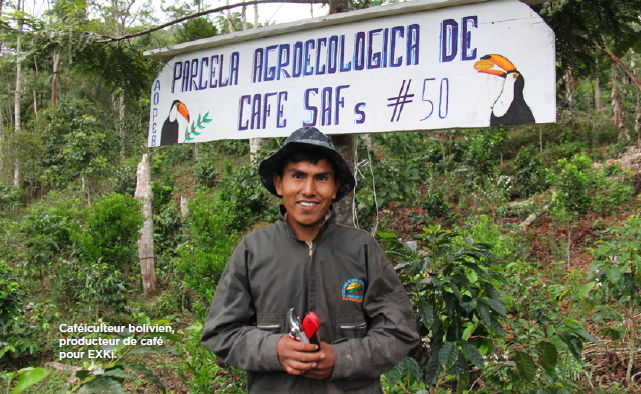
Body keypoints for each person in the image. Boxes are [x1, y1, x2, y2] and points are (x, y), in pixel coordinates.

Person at [201, 127, 419, 393]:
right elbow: (220, 332)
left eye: (322, 178)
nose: (308, 189)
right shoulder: (252, 251)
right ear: (279, 184)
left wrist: (342, 359)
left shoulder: (362, 249)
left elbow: (399, 331)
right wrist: (274, 349)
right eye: (297, 176)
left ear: (335, 187)